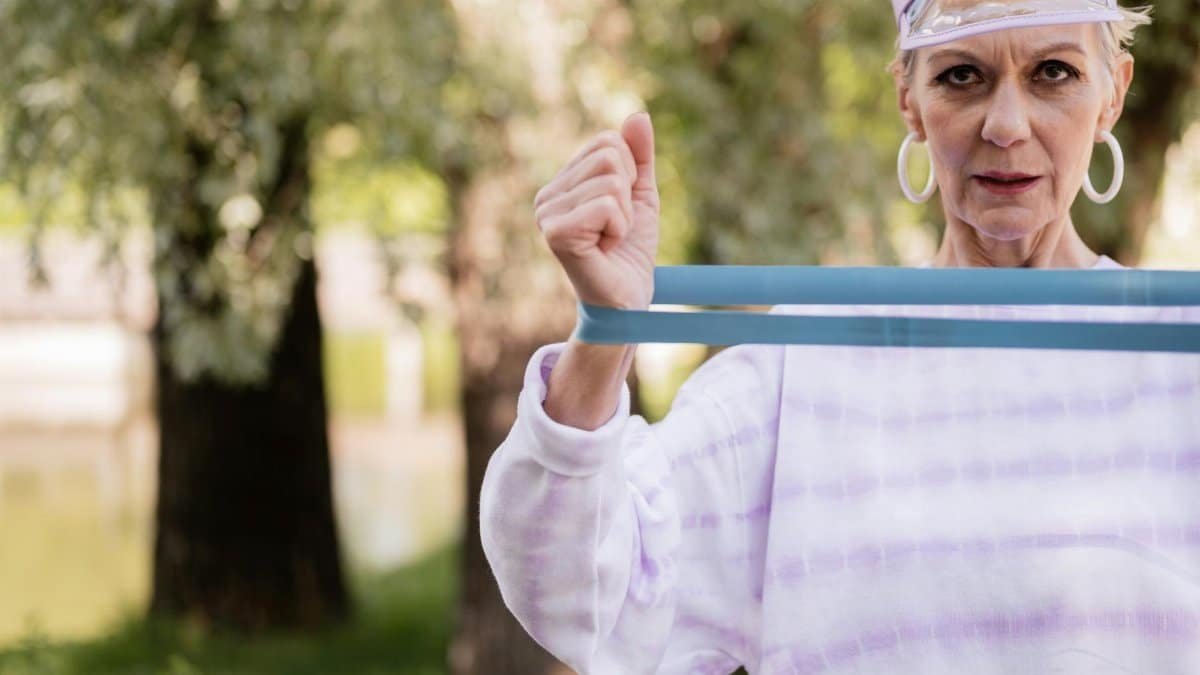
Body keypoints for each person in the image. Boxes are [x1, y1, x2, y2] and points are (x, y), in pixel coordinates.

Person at [480, 1, 1200, 672]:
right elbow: (578, 596)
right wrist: (607, 331)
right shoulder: (803, 368)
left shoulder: (1182, 362)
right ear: (909, 101)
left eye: (1053, 73)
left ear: (1112, 92)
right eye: (961, 76)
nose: (1006, 124)